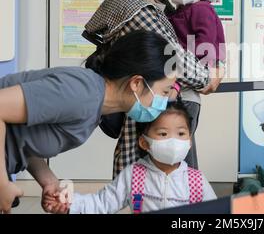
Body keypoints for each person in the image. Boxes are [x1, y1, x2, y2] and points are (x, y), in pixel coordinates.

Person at [82, 0, 224, 178]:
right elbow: (173, 54)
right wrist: (208, 76)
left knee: (173, 178)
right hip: (158, 108)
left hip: (171, 103)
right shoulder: (134, 7)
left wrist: (215, 59)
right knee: (170, 180)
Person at [0, 30, 177, 214]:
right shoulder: (82, 94)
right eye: (165, 91)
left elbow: (24, 138)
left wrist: (50, 183)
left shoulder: (95, 106)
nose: (165, 102)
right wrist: (2, 183)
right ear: (137, 84)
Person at [43, 103, 217, 214]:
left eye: (181, 133)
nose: (174, 141)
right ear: (144, 142)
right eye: (163, 133)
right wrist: (69, 204)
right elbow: (101, 203)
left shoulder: (196, 181)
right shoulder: (134, 175)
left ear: (189, 141)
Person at [166, 0, 226, 168]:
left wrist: (179, 83)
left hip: (186, 93)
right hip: (182, 89)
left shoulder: (201, 10)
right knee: (178, 148)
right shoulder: (175, 13)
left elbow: (205, 50)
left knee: (180, 150)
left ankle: (192, 195)